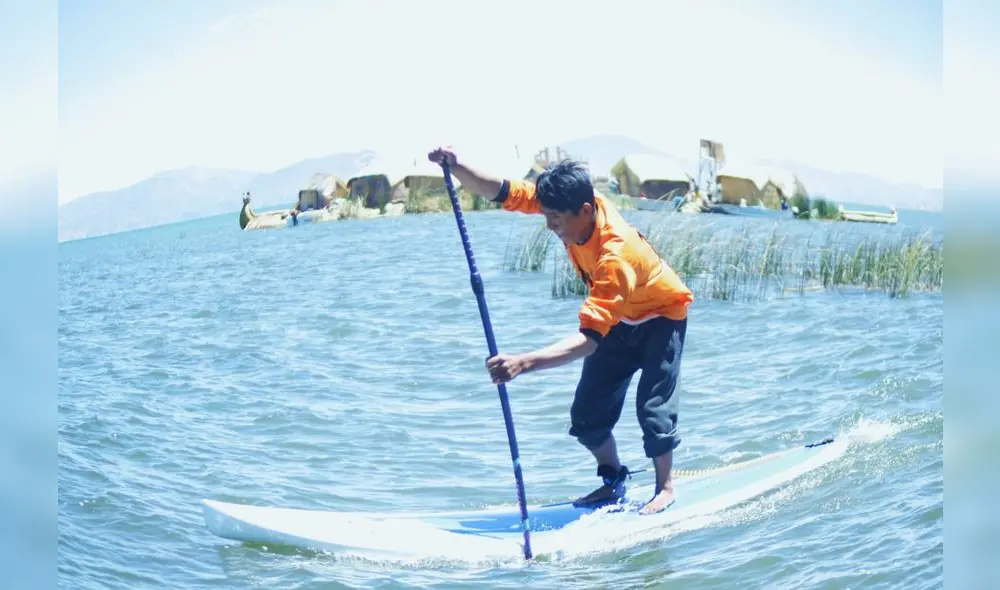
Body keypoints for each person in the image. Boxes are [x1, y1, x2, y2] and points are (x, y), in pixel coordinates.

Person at [428, 147, 694, 515]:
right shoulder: (569, 202)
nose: (549, 225)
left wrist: (524, 363)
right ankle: (614, 481)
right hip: (620, 319)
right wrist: (455, 166)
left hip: (662, 317)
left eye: (555, 219)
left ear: (585, 212)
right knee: (586, 418)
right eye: (546, 215)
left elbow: (588, 340)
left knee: (652, 408)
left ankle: (665, 487)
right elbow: (503, 190)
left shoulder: (616, 256)